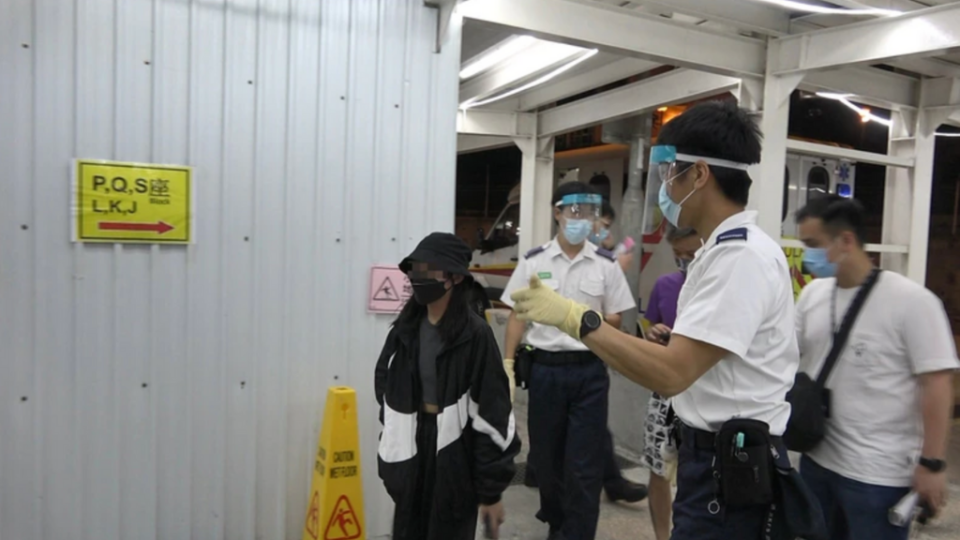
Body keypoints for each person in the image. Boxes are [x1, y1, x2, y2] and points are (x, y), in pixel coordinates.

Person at [509, 101, 826, 540]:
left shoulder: (740, 256)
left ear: (699, 174)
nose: (664, 187)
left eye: (668, 173)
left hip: (729, 467)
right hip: (712, 462)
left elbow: (672, 373)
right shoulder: (721, 251)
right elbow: (685, 361)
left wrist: (575, 318)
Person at [794, 195, 959, 540]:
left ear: (846, 241)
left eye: (812, 245)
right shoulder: (813, 295)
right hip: (816, 463)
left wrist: (932, 463)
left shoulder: (913, 302)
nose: (807, 255)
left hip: (878, 477)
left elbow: (938, 384)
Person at [501, 182, 636, 540]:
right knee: (545, 460)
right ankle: (557, 523)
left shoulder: (606, 265)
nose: (582, 219)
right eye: (574, 211)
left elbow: (617, 318)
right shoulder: (534, 261)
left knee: (583, 464)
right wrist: (508, 363)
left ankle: (576, 534)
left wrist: (577, 318)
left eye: (589, 212)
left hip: (589, 371)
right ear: (557, 213)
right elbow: (518, 314)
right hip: (545, 370)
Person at [375, 232, 521, 540]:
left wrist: (490, 491)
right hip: (412, 446)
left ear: (455, 278)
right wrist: (391, 441)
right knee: (408, 531)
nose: (419, 277)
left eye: (429, 270)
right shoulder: (405, 330)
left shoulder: (475, 335)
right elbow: (385, 386)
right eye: (415, 269)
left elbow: (492, 413)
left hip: (455, 452)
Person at [640, 225, 700, 540]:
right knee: (658, 468)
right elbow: (650, 333)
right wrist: (653, 336)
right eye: (678, 255)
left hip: (703, 391)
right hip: (664, 393)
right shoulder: (665, 285)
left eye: (691, 254)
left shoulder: (717, 287)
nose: (685, 261)